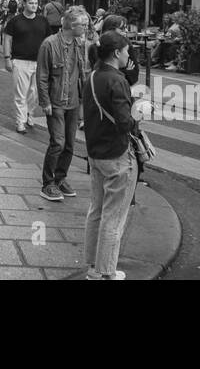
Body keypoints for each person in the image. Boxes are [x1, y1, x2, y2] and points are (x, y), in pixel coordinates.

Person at [83, 32, 138, 280]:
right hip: (117, 154)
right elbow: (126, 123)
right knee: (113, 217)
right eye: (127, 51)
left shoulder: (93, 75)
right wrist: (142, 113)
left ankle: (93, 267)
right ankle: (106, 271)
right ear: (116, 53)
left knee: (96, 210)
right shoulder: (118, 81)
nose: (129, 55)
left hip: (95, 151)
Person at [36, 7, 90, 202]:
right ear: (71, 25)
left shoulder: (79, 44)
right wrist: (45, 101)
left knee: (69, 145)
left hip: (73, 102)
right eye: (83, 24)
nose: (86, 27)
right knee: (57, 143)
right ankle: (47, 183)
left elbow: (83, 72)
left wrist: (85, 100)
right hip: (56, 101)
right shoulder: (49, 45)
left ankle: (60, 179)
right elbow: (42, 75)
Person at [4, 0, 50, 134]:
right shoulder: (15, 21)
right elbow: (7, 39)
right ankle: (20, 121)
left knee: (34, 93)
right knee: (21, 93)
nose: (34, 6)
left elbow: (49, 41)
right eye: (31, 3)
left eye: (36, 3)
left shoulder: (43, 21)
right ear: (24, 4)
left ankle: (30, 114)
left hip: (39, 62)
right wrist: (7, 58)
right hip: (20, 61)